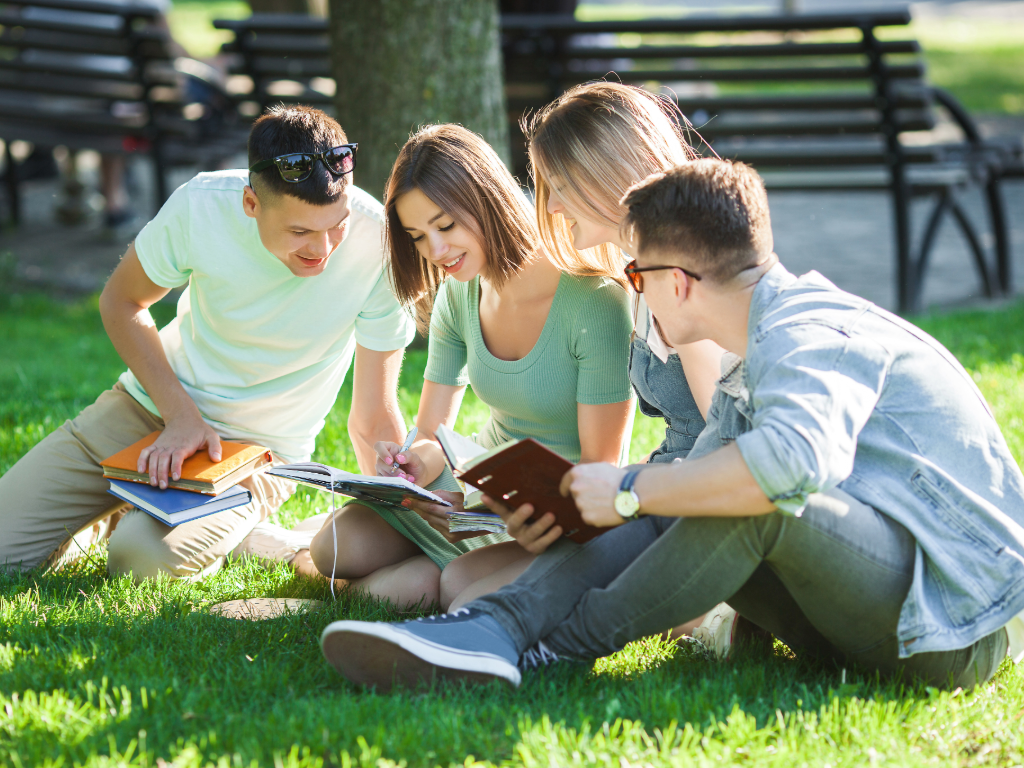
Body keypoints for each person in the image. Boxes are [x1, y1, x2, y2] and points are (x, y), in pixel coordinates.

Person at [318, 159, 1024, 691]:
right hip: (866, 615)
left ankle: (546, 650)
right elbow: (664, 506)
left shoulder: (815, 332)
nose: (637, 293)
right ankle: (495, 628)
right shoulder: (751, 357)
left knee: (746, 496)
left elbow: (791, 465)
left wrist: (630, 485)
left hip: (951, 629)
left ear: (676, 281)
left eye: (638, 277)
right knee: (681, 492)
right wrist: (637, 493)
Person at [0, 105, 414, 581]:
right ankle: (121, 506)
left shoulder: (379, 243)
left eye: (334, 226)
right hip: (146, 411)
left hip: (255, 453)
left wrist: (390, 513)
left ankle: (148, 518)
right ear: (251, 204)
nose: (322, 250)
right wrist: (180, 416)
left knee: (138, 560)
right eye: (299, 231)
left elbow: (374, 413)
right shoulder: (202, 204)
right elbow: (122, 300)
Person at [307, 124, 635, 610]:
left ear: (486, 201)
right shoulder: (461, 292)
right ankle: (391, 574)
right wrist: (417, 463)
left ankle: (404, 583)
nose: (436, 252)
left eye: (445, 227)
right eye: (418, 236)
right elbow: (431, 431)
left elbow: (600, 469)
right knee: (334, 546)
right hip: (478, 492)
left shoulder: (594, 303)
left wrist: (498, 512)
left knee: (438, 588)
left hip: (553, 512)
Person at [524, 81, 736, 642]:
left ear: (612, 174)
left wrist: (629, 499)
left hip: (698, 508)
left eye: (563, 185)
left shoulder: (678, 276)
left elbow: (727, 437)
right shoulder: (640, 271)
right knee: (488, 572)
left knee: (526, 588)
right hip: (667, 491)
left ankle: (717, 617)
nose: (552, 206)